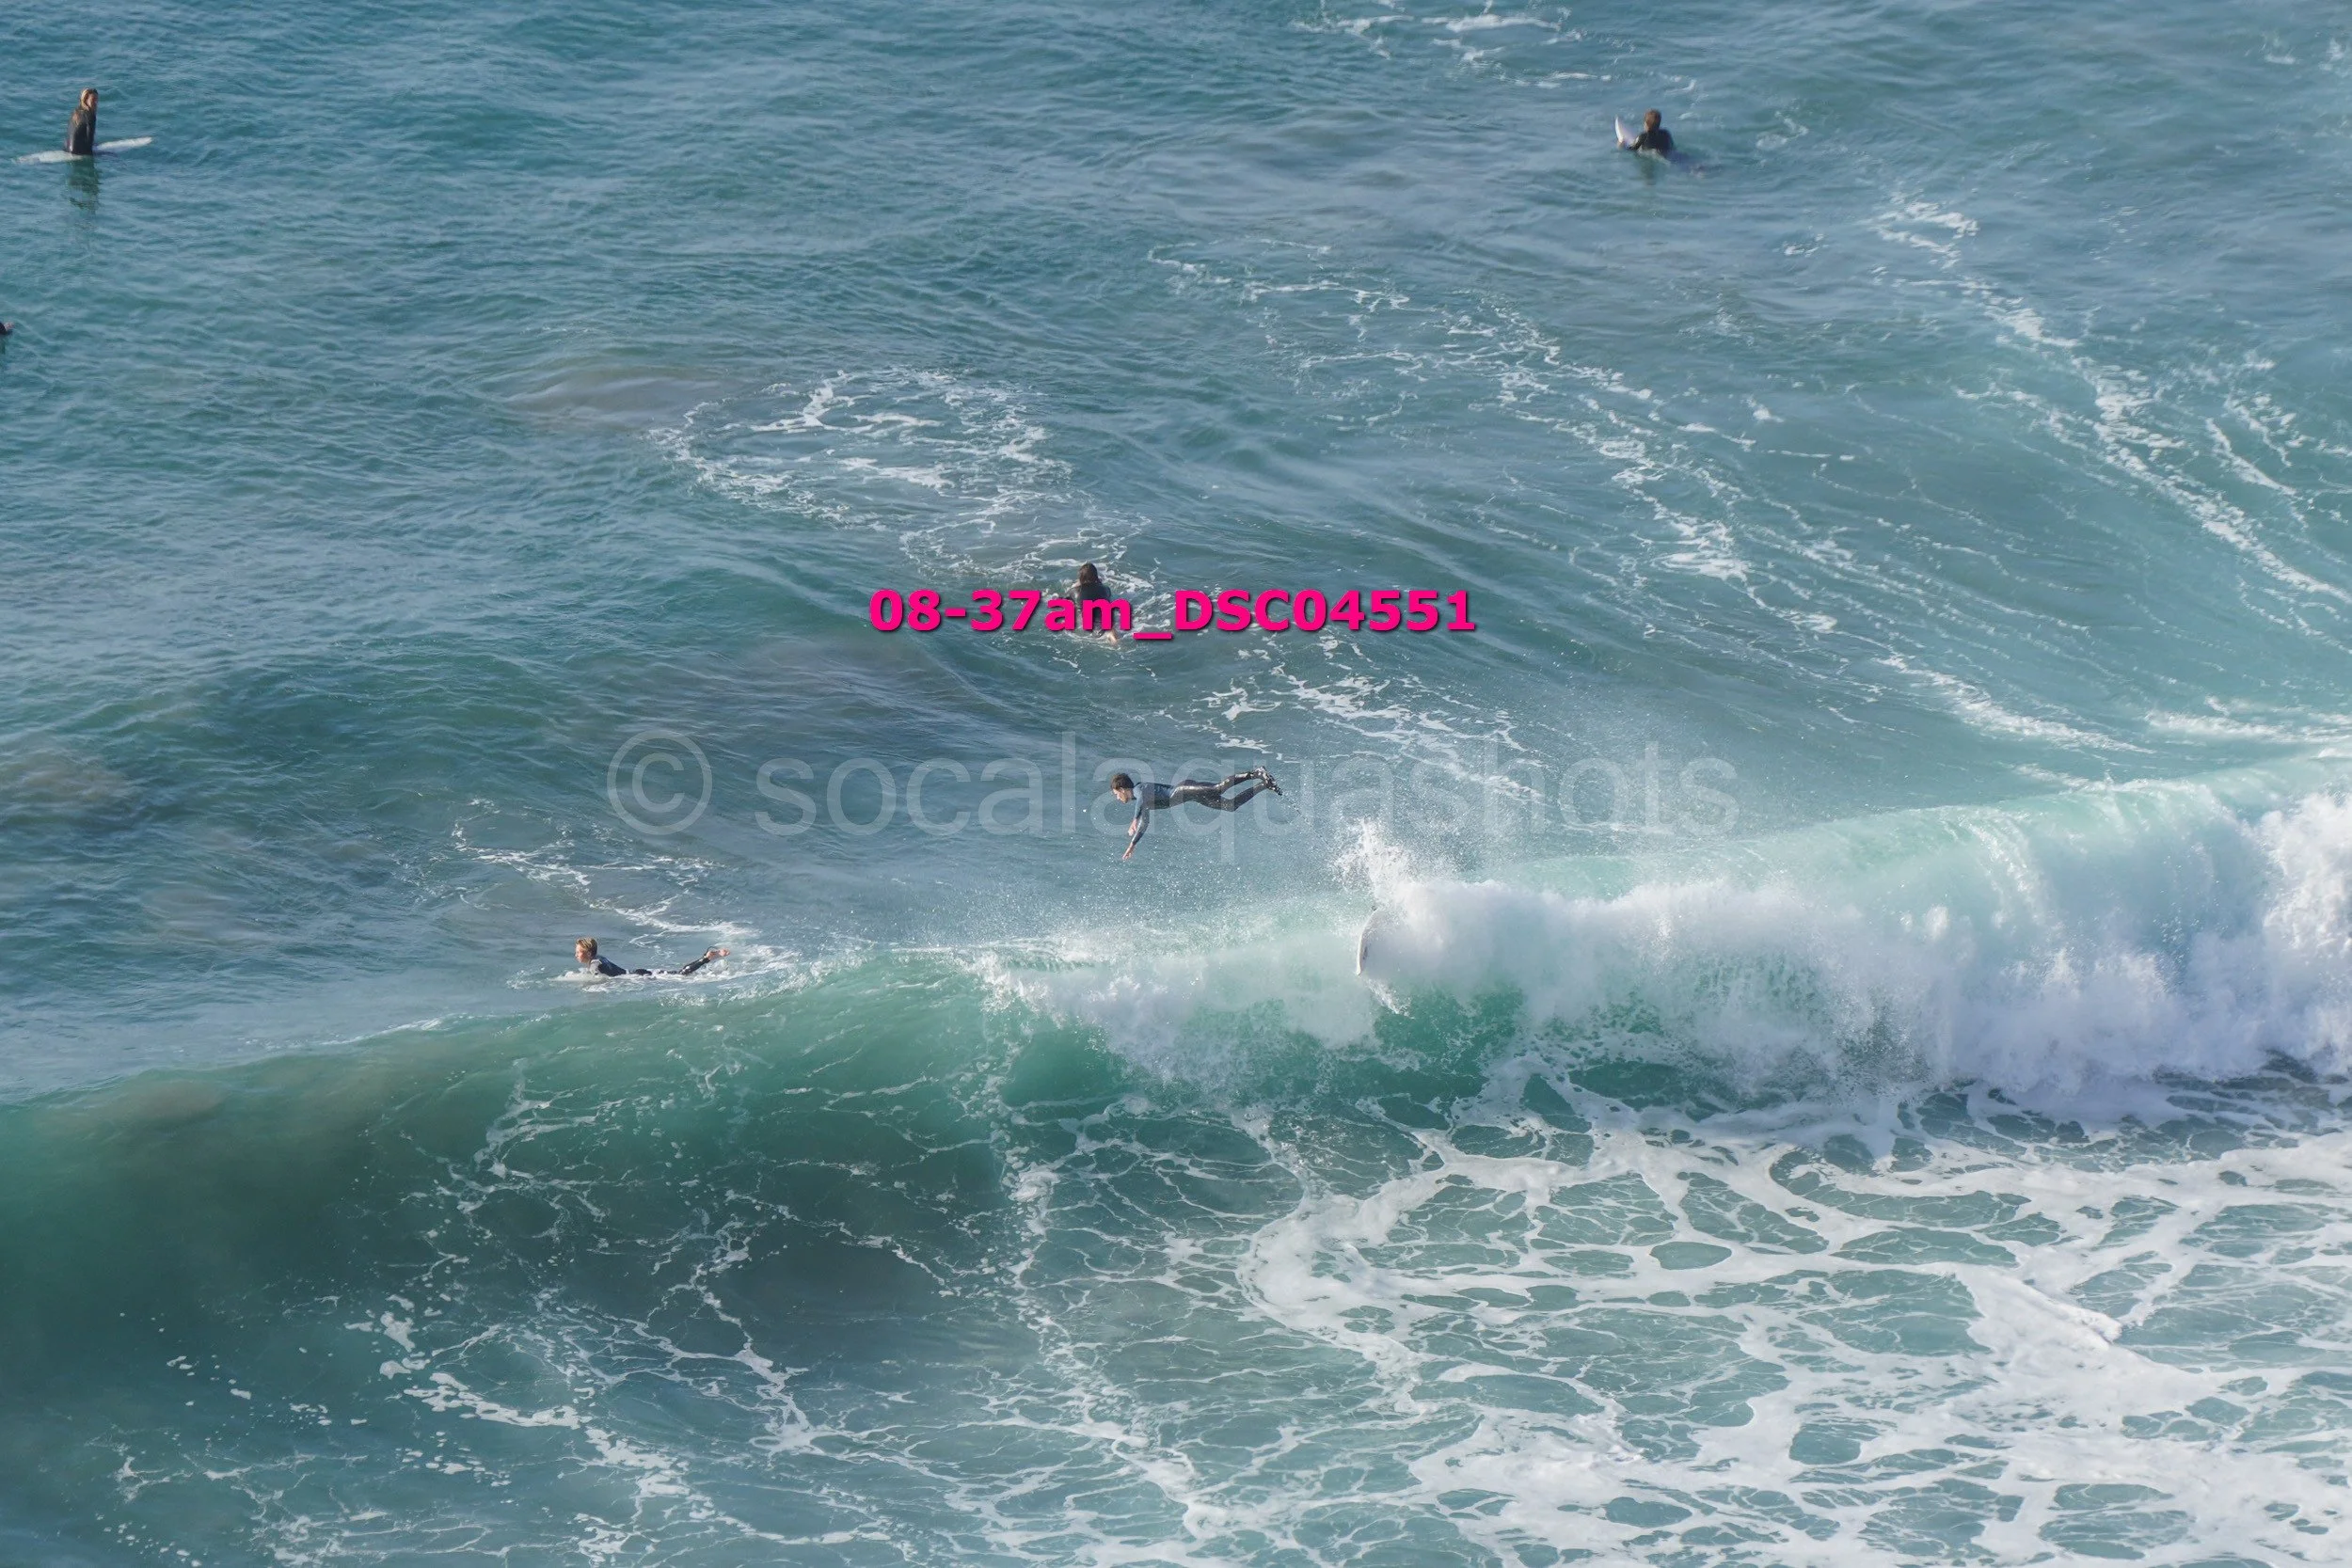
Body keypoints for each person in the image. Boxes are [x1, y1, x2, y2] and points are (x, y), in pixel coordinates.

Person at [1111, 769, 1279, 860]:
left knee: (1218, 788)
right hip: (1192, 797)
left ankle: (1256, 773)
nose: (1117, 798)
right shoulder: (1143, 802)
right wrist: (1133, 844)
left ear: (1121, 790)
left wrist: (1134, 819)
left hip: (1184, 790)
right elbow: (1144, 822)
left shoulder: (1139, 789)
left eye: (1116, 794)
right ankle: (1264, 784)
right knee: (1230, 805)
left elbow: (1141, 800)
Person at [575, 937, 727, 976]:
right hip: (636, 973)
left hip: (637, 977)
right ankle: (706, 958)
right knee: (678, 973)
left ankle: (707, 958)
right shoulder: (598, 958)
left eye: (579, 951)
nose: (576, 954)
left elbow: (603, 979)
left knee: (681, 974)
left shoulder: (595, 964)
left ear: (588, 953)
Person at [65, 88, 97, 157]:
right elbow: (90, 140)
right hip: (78, 152)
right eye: (93, 100)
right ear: (85, 100)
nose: (96, 103)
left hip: (67, 148)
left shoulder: (76, 112)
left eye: (97, 100)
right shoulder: (90, 116)